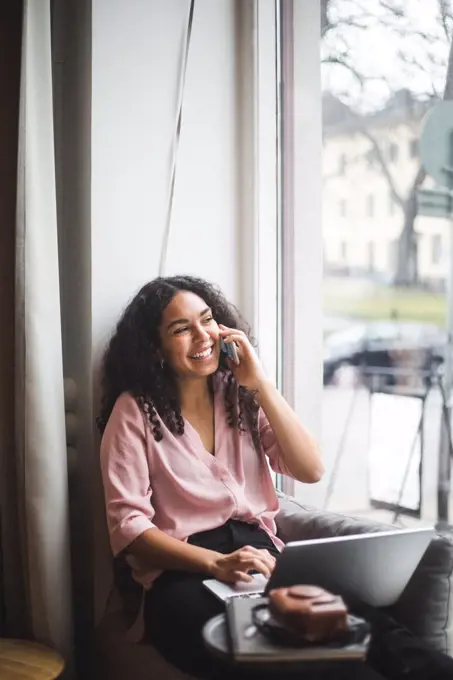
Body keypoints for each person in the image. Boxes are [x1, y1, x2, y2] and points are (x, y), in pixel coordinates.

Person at [98, 275, 453, 680]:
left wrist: (261, 383)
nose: (203, 335)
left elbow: (310, 468)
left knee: (368, 627)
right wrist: (216, 563)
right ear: (155, 348)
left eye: (207, 320)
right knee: (278, 652)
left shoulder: (239, 394)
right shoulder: (134, 412)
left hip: (262, 558)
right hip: (182, 572)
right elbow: (128, 529)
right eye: (181, 329)